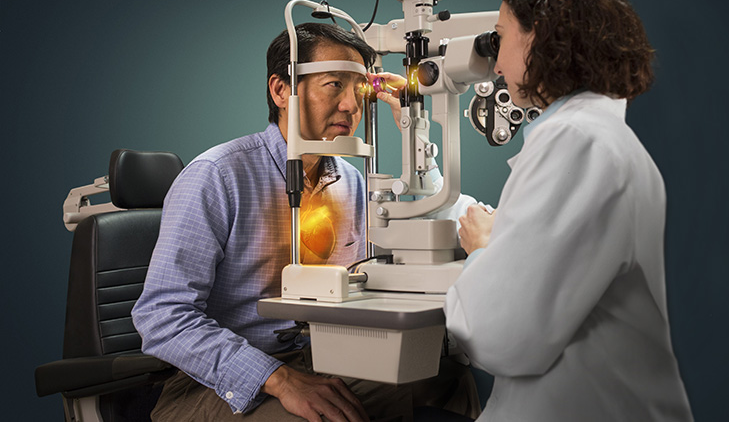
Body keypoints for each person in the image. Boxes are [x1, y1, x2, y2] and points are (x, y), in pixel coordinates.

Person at [132, 22, 478, 422]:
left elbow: (428, 219)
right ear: (281, 90)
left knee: (446, 379)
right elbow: (161, 316)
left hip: (324, 360)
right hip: (215, 384)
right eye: (334, 85)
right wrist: (277, 378)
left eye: (360, 89)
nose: (352, 105)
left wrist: (411, 121)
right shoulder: (217, 175)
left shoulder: (352, 181)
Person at [445, 0, 694, 421]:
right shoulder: (591, 138)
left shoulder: (578, 143)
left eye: (500, 39)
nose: (495, 62)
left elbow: (498, 332)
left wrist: (482, 248)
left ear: (540, 32)